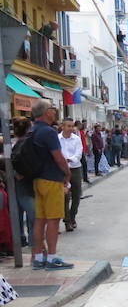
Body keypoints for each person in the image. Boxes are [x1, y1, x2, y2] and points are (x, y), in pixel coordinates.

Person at [29, 100, 74, 270]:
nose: (55, 112)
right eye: (52, 109)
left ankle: (39, 257)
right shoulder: (48, 132)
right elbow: (58, 157)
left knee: (39, 220)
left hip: (38, 179)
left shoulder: (33, 130)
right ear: (46, 112)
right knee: (53, 220)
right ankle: (52, 258)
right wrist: (66, 173)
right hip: (51, 179)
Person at [11, 117, 35, 247]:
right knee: (32, 216)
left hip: (15, 182)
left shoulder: (10, 143)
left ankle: (21, 238)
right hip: (27, 182)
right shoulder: (27, 143)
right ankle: (32, 243)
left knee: (18, 212)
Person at [59, 118, 83, 232]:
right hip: (61, 170)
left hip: (75, 168)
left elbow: (79, 153)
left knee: (77, 195)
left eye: (72, 126)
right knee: (65, 196)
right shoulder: (57, 139)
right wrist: (63, 162)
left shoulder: (76, 139)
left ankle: (72, 217)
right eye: (68, 126)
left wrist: (69, 160)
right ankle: (67, 221)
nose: (70, 128)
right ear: (62, 126)